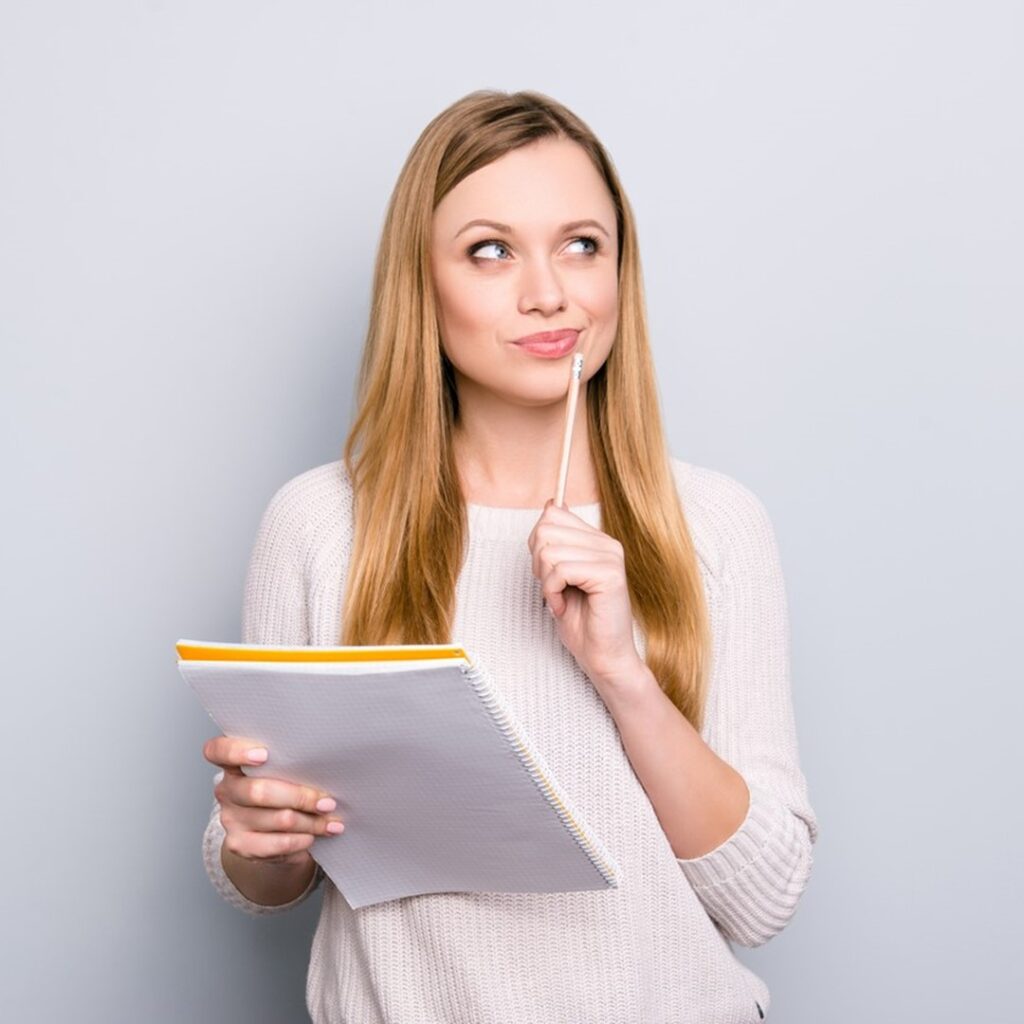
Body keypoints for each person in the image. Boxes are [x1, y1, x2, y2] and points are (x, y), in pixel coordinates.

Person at [201, 89, 818, 1024]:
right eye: (491, 250)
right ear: (424, 280)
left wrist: (624, 677)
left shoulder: (716, 525)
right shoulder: (321, 527)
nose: (550, 292)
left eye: (583, 245)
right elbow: (270, 884)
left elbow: (763, 899)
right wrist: (260, 839)